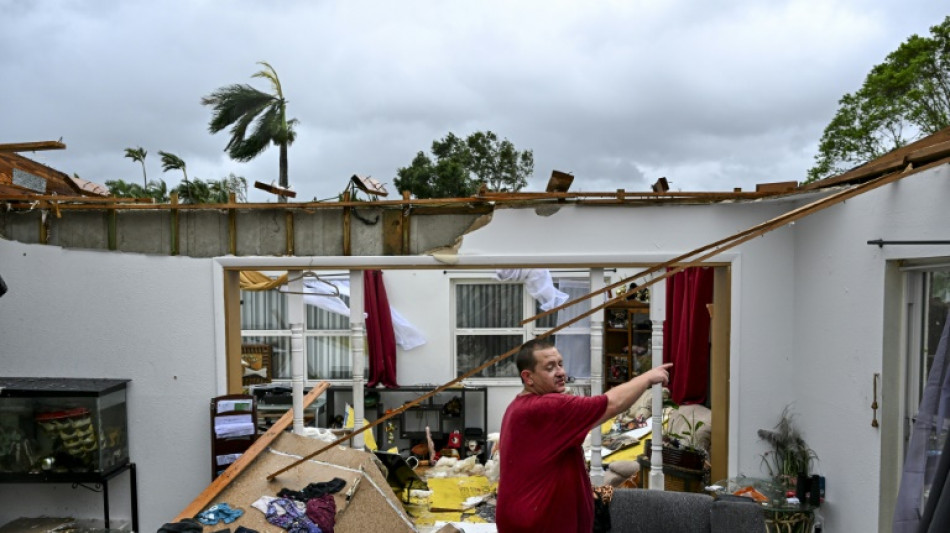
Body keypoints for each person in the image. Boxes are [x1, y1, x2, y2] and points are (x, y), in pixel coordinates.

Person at [495, 338, 672, 532]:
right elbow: (611, 403)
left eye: (560, 364)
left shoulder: (518, 406)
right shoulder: (546, 407)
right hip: (537, 524)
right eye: (550, 368)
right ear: (528, 377)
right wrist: (647, 378)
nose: (560, 372)